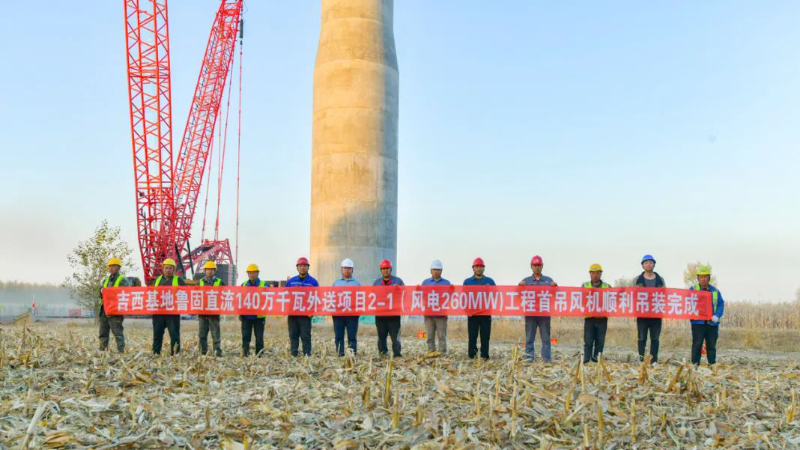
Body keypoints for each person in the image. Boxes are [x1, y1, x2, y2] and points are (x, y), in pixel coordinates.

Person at [518, 255, 557, 362]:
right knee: (529, 338)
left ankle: (546, 359)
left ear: (542, 266)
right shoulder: (526, 281)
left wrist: (555, 287)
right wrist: (519, 286)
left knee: (546, 338)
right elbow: (517, 295)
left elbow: (556, 295)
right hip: (530, 314)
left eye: (539, 265)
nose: (537, 267)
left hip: (544, 314)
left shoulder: (548, 281)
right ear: (531, 266)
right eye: (535, 265)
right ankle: (529, 358)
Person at [690, 266, 725, 366]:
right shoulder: (692, 290)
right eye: (701, 277)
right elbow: (686, 303)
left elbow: (720, 304)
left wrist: (717, 316)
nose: (703, 279)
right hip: (698, 323)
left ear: (709, 278)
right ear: (698, 278)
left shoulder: (715, 291)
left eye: (705, 277)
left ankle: (712, 365)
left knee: (711, 345)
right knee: (697, 345)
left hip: (712, 323)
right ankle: (695, 366)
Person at [634, 254, 665, 364]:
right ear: (642, 265)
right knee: (642, 338)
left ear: (654, 265)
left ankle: (653, 360)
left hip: (656, 314)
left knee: (655, 339)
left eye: (651, 262)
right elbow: (632, 295)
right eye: (646, 263)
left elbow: (665, 295)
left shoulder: (660, 280)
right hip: (642, 314)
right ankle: (642, 359)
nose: (648, 264)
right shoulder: (637, 280)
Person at [464, 257, 496, 360]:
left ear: (484, 268)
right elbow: (464, 298)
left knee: (485, 336)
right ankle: (472, 355)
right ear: (473, 268)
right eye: (476, 266)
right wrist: (467, 311)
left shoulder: (490, 281)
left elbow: (495, 295)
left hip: (485, 314)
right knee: (472, 336)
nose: (479, 268)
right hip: (472, 314)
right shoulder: (467, 282)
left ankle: (484, 356)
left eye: (481, 266)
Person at [286, 257, 318, 356]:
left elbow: (317, 298)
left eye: (305, 266)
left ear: (308, 267)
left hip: (306, 315)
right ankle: (294, 354)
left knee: (305, 336)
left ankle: (307, 355)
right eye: (300, 266)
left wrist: (313, 311)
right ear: (297, 268)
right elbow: (286, 297)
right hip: (293, 314)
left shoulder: (313, 282)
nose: (302, 268)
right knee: (293, 335)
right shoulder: (291, 282)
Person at [152, 258, 184, 355]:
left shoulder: (179, 280)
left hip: (172, 313)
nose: (168, 270)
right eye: (166, 268)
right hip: (158, 312)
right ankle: (156, 353)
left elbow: (186, 294)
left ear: (174, 269)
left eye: (170, 268)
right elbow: (151, 294)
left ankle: (175, 354)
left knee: (174, 335)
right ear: (163, 269)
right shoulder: (157, 280)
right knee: (157, 334)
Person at [373, 259, 404, 357]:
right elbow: (372, 296)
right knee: (381, 336)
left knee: (395, 337)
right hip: (380, 315)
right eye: (383, 269)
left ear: (391, 269)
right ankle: (383, 353)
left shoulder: (398, 281)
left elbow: (405, 294)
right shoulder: (376, 283)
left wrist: (399, 289)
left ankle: (397, 354)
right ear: (380, 270)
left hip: (394, 315)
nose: (385, 270)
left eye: (387, 268)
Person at [582, 264, 611, 363]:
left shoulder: (607, 286)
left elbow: (613, 299)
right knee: (588, 340)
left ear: (601, 274)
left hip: (602, 318)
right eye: (593, 273)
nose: (595, 275)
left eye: (597, 273)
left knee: (600, 341)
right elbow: (580, 299)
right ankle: (586, 359)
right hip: (589, 317)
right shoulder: (585, 286)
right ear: (590, 274)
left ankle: (596, 360)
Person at [99, 257, 128, 353]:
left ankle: (121, 351)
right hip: (104, 310)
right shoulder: (106, 280)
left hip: (115, 311)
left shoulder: (122, 280)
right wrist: (101, 291)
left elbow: (126, 294)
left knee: (118, 333)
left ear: (119, 268)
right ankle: (102, 350)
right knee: (103, 333)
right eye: (110, 266)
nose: (111, 268)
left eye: (114, 266)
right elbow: (100, 294)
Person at [421, 259, 451, 354]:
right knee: (429, 336)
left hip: (441, 315)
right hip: (429, 314)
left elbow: (450, 296)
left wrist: (453, 290)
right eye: (434, 269)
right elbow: (421, 296)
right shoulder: (425, 283)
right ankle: (431, 352)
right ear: (431, 271)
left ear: (441, 271)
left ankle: (442, 353)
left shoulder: (446, 283)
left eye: (438, 269)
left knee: (442, 336)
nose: (436, 271)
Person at [332, 258, 361, 356]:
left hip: (352, 314)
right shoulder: (336, 283)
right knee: (338, 336)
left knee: (352, 336)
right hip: (338, 314)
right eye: (345, 268)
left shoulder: (357, 284)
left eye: (349, 268)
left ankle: (352, 355)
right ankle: (340, 354)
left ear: (352, 270)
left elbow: (360, 298)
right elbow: (332, 297)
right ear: (341, 269)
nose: (347, 270)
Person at [198, 261, 225, 357]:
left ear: (215, 271)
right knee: (202, 334)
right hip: (202, 312)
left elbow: (225, 295)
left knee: (215, 334)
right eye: (208, 269)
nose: (209, 271)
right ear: (205, 270)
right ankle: (203, 352)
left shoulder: (220, 282)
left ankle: (217, 352)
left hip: (214, 313)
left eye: (211, 269)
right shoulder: (200, 282)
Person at [240, 263, 267, 357]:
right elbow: (239, 299)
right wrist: (240, 313)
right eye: (250, 273)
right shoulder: (243, 285)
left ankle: (259, 354)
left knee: (259, 337)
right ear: (248, 274)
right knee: (245, 336)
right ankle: (245, 353)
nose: (252, 274)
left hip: (259, 316)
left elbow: (269, 298)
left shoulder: (264, 285)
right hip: (246, 316)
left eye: (254, 272)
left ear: (257, 273)